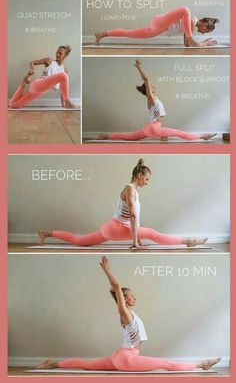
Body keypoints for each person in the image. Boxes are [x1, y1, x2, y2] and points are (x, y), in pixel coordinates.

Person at [37, 256, 221, 372]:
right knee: (166, 364)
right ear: (124, 300)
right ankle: (201, 364)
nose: (135, 298)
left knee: (88, 364)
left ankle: (52, 364)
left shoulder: (130, 315)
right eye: (132, 296)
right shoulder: (125, 314)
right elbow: (116, 287)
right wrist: (107, 271)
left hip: (119, 356)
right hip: (127, 358)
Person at [38, 159, 208, 249]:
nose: (147, 182)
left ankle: (47, 233)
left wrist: (138, 239)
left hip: (113, 227)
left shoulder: (132, 190)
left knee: (79, 240)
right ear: (139, 176)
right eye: (147, 179)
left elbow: (135, 218)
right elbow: (133, 217)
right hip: (116, 227)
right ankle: (188, 241)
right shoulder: (130, 190)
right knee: (153, 233)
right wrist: (135, 241)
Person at [97, 60, 217, 142]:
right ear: (148, 89)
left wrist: (162, 134)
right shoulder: (151, 98)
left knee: (128, 136)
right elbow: (147, 79)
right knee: (180, 133)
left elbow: (157, 118)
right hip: (153, 128)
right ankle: (203, 136)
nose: (153, 85)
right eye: (150, 86)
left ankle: (105, 136)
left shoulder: (153, 100)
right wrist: (139, 67)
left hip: (150, 128)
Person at [95, 7, 219, 48]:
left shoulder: (190, 24)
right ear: (204, 23)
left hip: (158, 27)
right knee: (185, 10)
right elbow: (191, 43)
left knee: (129, 33)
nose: (204, 33)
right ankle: (102, 34)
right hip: (161, 23)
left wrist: (198, 42)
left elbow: (187, 44)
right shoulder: (192, 20)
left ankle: (101, 34)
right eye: (206, 30)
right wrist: (205, 44)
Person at [9, 45, 78, 109]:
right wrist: (32, 69)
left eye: (60, 53)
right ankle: (68, 102)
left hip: (39, 91)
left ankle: (23, 83)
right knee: (64, 75)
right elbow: (32, 62)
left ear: (65, 55)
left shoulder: (64, 70)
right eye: (57, 52)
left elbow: (63, 90)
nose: (57, 54)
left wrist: (63, 105)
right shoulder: (49, 60)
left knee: (13, 105)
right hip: (38, 84)